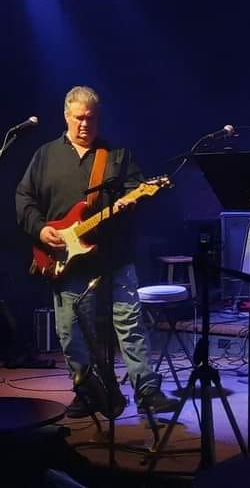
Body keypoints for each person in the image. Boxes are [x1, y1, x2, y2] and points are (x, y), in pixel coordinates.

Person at [16, 86, 179, 418]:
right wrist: (41, 229)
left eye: (90, 118)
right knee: (71, 330)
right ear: (66, 116)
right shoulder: (45, 155)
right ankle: (88, 391)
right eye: (78, 118)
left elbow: (137, 190)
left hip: (114, 253)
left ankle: (147, 391)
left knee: (129, 323)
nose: (84, 124)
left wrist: (131, 201)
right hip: (67, 259)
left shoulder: (117, 155)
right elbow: (24, 198)